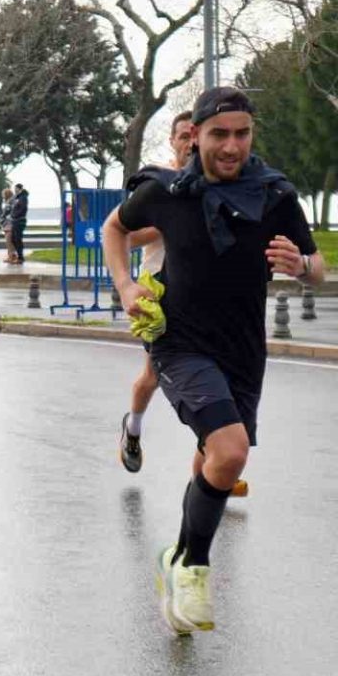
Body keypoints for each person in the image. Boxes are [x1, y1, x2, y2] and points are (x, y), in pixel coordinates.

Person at [102, 87, 325, 635]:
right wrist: (126, 285)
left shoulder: (274, 194)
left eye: (242, 134)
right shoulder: (165, 192)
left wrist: (301, 266)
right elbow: (114, 228)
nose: (231, 146)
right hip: (180, 342)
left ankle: (177, 557)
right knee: (230, 450)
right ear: (195, 136)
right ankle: (195, 569)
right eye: (219, 134)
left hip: (243, 349)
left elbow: (318, 267)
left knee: (217, 461)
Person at [118, 110, 201, 475]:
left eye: (195, 136)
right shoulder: (158, 185)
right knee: (153, 377)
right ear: (172, 141)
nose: (190, 144)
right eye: (183, 136)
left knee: (217, 376)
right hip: (159, 294)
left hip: (202, 294)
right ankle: (133, 429)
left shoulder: (217, 184)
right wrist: (170, 221)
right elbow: (127, 235)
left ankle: (218, 463)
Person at [8, 184, 29, 264]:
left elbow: (23, 208)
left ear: (20, 189)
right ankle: (19, 255)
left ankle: (21, 257)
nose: (15, 190)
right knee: (13, 239)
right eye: (14, 189)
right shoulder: (17, 198)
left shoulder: (23, 198)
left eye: (16, 189)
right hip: (15, 221)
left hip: (19, 220)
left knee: (18, 239)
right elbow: (11, 204)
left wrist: (15, 215)